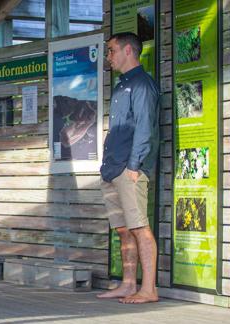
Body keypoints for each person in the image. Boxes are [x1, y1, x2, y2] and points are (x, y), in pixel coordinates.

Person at [97, 32, 160, 304]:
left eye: (111, 50)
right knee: (123, 229)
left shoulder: (142, 84)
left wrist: (134, 166)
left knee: (139, 227)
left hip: (129, 168)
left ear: (128, 51)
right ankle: (127, 284)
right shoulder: (121, 85)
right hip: (112, 167)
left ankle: (149, 290)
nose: (108, 56)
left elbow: (145, 127)